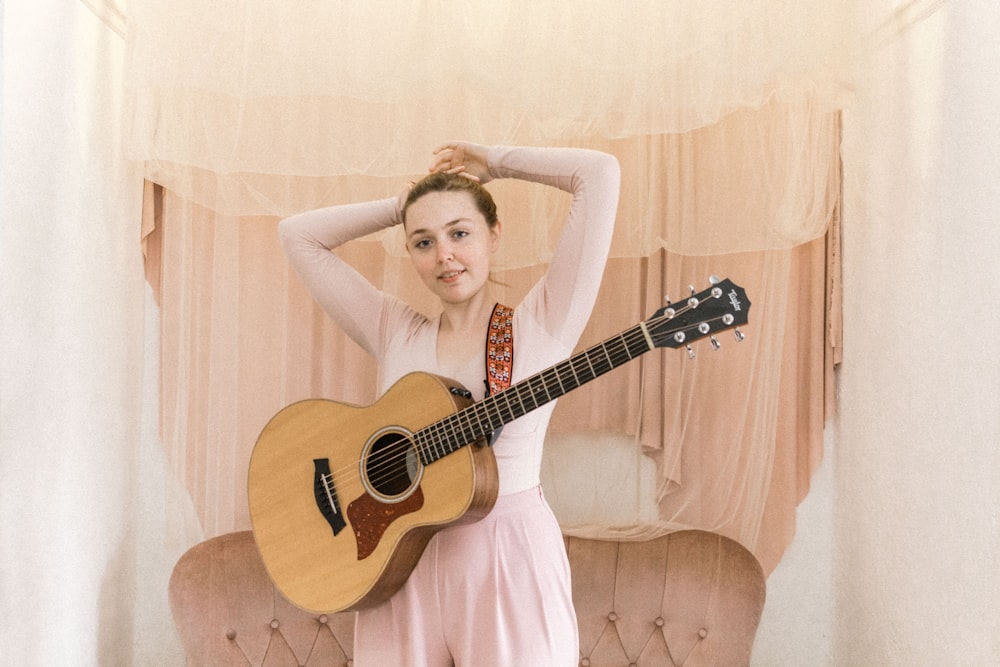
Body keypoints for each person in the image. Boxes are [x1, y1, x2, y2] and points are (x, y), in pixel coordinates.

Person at [279, 141, 620, 666]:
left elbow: (599, 173)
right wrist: (409, 204)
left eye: (460, 233)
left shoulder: (542, 326)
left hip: (508, 559)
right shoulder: (395, 331)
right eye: (423, 241)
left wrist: (495, 161)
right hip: (395, 558)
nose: (445, 256)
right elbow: (298, 235)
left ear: (494, 234)